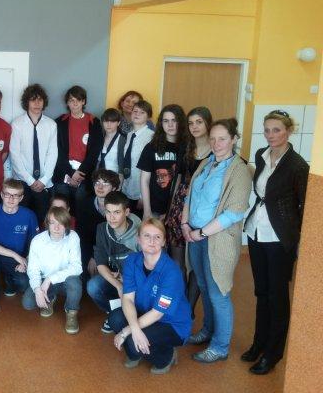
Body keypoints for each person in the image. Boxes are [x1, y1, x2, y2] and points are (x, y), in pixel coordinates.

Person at [242, 110, 309, 374]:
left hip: (279, 237)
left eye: (277, 130)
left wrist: (298, 239)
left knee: (277, 295)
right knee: (261, 291)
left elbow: (304, 206)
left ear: (288, 131)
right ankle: (259, 343)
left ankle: (273, 353)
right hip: (255, 232)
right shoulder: (261, 154)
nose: (271, 135)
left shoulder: (297, 165)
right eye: (267, 129)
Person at [181, 118, 252, 363]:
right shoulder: (206, 162)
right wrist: (185, 224)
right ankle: (207, 330)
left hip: (217, 241)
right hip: (195, 236)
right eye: (213, 138)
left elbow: (234, 212)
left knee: (218, 292)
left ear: (234, 139)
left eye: (222, 138)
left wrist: (201, 232)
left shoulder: (239, 170)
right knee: (203, 286)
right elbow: (189, 197)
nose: (216, 143)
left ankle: (220, 347)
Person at [109, 218, 192, 374]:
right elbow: (127, 298)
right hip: (145, 313)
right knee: (115, 318)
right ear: (138, 239)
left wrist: (126, 331)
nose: (152, 241)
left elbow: (158, 313)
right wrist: (134, 329)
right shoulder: (132, 261)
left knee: (132, 340)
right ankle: (136, 352)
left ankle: (167, 356)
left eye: (157, 237)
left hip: (171, 323)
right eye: (147, 236)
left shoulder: (171, 272)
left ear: (164, 242)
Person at [165, 107, 212, 317]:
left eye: (199, 122)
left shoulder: (216, 149)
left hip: (202, 209)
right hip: (180, 204)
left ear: (208, 123)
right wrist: (171, 210)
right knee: (177, 259)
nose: (194, 126)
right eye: (191, 123)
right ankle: (180, 302)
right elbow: (178, 179)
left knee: (196, 264)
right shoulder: (185, 146)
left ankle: (188, 308)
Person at [87, 191, 141, 333]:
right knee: (93, 286)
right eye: (108, 212)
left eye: (117, 212)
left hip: (137, 281)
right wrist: (118, 285)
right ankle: (115, 312)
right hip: (118, 279)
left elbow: (148, 266)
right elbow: (100, 263)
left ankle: (132, 317)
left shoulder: (140, 231)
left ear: (126, 212)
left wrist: (127, 280)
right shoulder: (101, 229)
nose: (111, 217)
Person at [0, 179, 39, 313]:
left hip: (15, 260)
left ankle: (9, 280)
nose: (11, 199)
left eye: (16, 195)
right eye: (7, 194)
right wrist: (15, 255)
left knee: (24, 284)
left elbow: (36, 244)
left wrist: (26, 261)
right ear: (2, 195)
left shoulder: (29, 215)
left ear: (21, 198)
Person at [22, 206, 82, 334]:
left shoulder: (73, 237)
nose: (56, 227)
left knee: (75, 283)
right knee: (28, 302)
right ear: (47, 224)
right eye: (53, 223)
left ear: (67, 225)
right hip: (45, 281)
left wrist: (50, 279)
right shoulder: (37, 240)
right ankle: (50, 298)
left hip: (65, 281)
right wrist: (37, 290)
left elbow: (77, 267)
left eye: (61, 223)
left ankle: (71, 312)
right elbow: (33, 269)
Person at [10, 83, 58, 223]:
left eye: (40, 100)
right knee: (21, 220)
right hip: (23, 181)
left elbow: (52, 154)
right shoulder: (17, 124)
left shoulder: (51, 125)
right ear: (27, 102)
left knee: (41, 220)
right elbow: (15, 155)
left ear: (44, 102)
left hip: (44, 182)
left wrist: (44, 179)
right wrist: (30, 181)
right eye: (33, 100)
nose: (37, 103)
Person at [53, 86, 103, 215]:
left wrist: (80, 173)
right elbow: (57, 150)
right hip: (64, 171)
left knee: (82, 207)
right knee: (61, 207)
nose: (75, 103)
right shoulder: (60, 122)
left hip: (85, 173)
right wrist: (71, 173)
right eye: (71, 100)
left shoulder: (94, 122)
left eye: (78, 100)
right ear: (67, 103)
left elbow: (95, 151)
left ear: (83, 102)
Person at [138, 104, 186, 220]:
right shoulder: (151, 147)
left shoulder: (186, 148)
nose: (170, 125)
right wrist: (147, 211)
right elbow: (144, 180)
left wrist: (170, 210)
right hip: (153, 208)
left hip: (177, 208)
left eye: (174, 120)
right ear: (161, 123)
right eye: (166, 121)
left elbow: (180, 180)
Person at [77, 169, 120, 277]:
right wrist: (90, 257)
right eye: (97, 183)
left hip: (111, 253)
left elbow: (115, 239)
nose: (100, 187)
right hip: (88, 251)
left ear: (114, 188)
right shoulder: (84, 204)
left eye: (105, 184)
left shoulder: (119, 207)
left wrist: (96, 257)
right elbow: (83, 237)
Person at [119, 100, 154, 217]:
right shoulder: (130, 135)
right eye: (135, 111)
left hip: (140, 191)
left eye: (142, 112)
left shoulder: (151, 136)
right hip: (126, 187)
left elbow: (151, 169)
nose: (137, 114)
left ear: (148, 116)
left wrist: (142, 196)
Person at [97, 108, 124, 174]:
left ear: (118, 123)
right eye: (106, 121)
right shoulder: (99, 138)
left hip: (115, 176)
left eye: (112, 122)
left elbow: (122, 164)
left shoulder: (122, 140)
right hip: (99, 176)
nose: (109, 124)